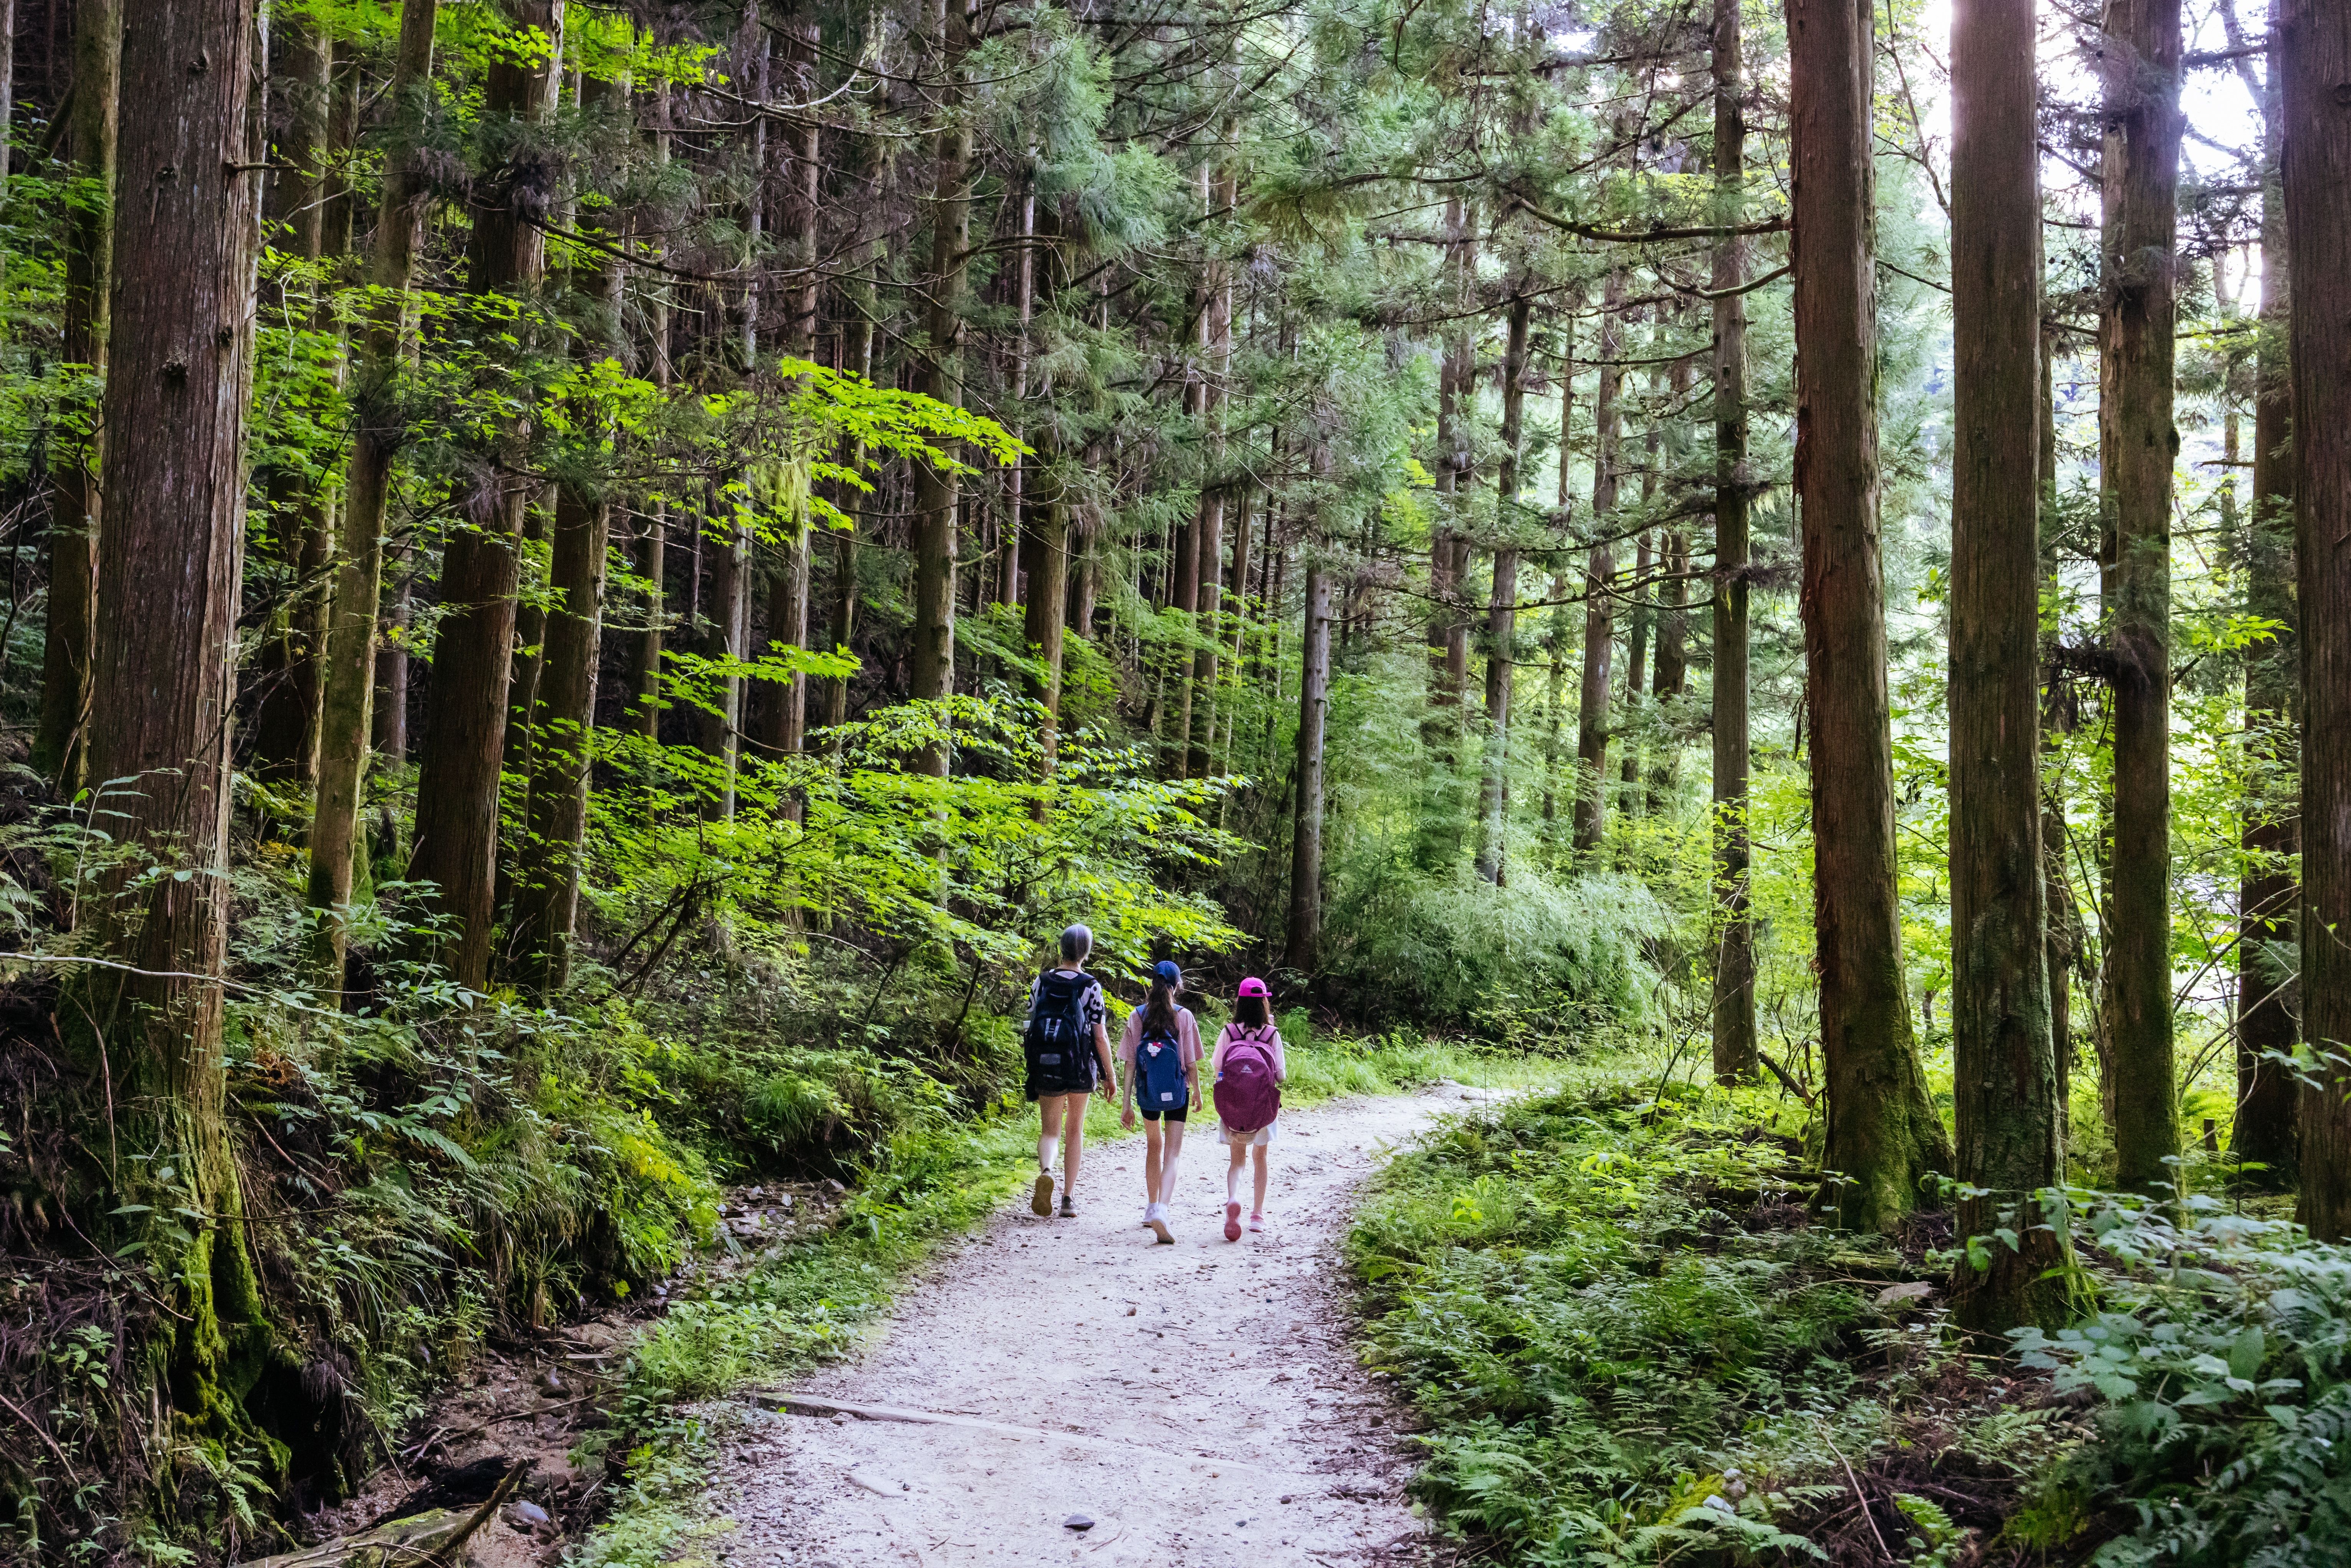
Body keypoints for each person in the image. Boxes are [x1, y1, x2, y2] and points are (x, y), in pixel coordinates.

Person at [1023, 924, 1119, 1218]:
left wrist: (1034, 1062)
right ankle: (1067, 1199)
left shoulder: (1041, 981)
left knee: (1050, 1130)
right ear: (1086, 952)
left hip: (1047, 1064)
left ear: (1060, 948)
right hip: (1079, 1066)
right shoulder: (1091, 985)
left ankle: (1047, 1170)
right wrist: (1110, 1074)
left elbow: (1028, 1026)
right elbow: (1099, 1035)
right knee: (1075, 1129)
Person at [1119, 960, 1204, 1243]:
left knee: (1153, 1145)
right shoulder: (1184, 1016)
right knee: (1173, 1152)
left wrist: (1127, 1104)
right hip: (1178, 1092)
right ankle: (1162, 1209)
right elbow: (1190, 1062)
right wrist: (1200, 1094)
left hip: (1148, 1094)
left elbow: (1131, 1064)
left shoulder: (1137, 1015)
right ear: (1177, 985)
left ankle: (1151, 1206)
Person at [1211, 977, 1286, 1240]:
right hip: (1262, 1107)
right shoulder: (1271, 1034)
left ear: (1239, 1003)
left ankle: (1233, 1198)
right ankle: (1257, 1216)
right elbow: (1281, 1076)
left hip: (1234, 1107)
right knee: (1260, 1158)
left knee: (1237, 1160)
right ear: (1265, 1002)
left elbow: (1218, 1067)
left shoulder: (1229, 1032)